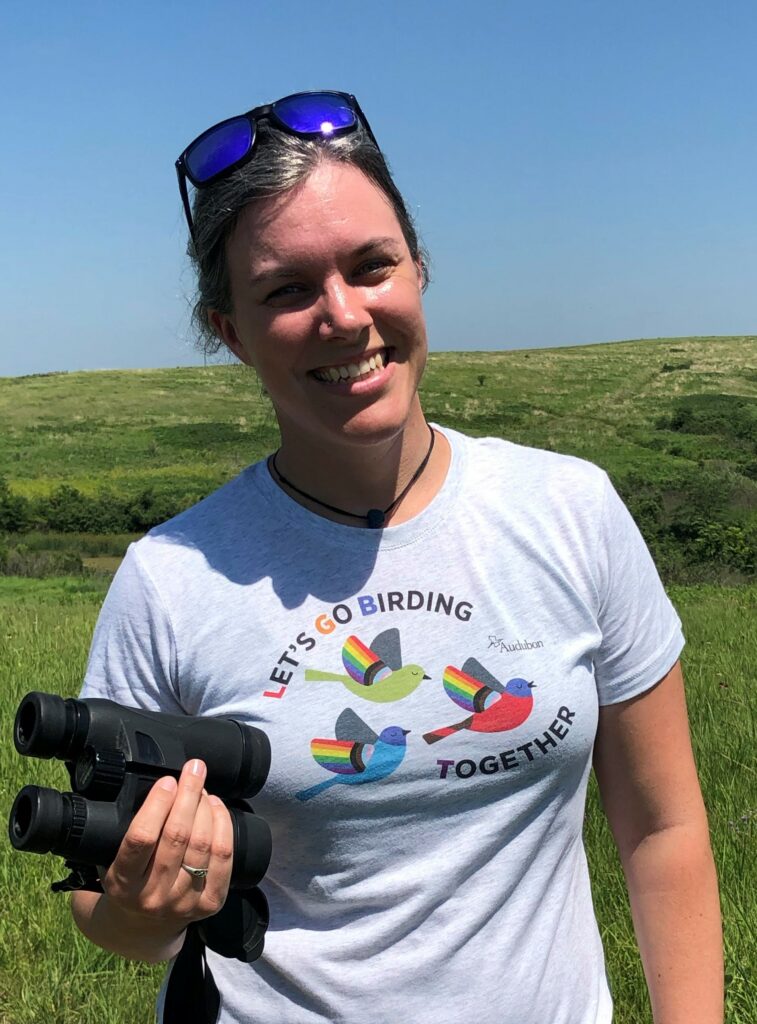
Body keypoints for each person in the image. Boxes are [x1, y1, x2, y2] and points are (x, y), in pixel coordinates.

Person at [71, 91, 723, 1024]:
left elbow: (663, 827)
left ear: (418, 268)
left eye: (370, 266)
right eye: (286, 290)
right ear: (230, 332)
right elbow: (110, 907)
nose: (342, 314)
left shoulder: (571, 510)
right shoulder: (171, 580)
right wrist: (142, 914)